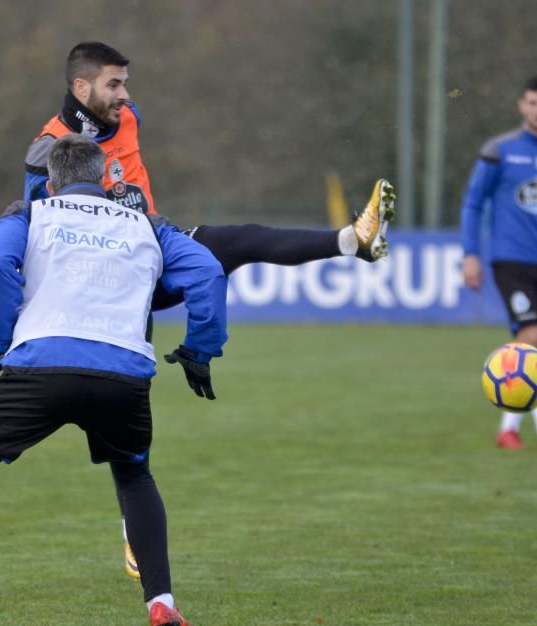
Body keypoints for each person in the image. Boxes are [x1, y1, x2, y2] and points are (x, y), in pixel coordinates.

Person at [25, 40, 396, 575]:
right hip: (109, 279)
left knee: (239, 242)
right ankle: (134, 532)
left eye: (126, 83)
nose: (125, 96)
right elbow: (31, 230)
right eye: (113, 84)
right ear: (80, 88)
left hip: (153, 246)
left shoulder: (126, 118)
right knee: (125, 407)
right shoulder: (47, 151)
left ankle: (353, 242)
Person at [0, 134, 228, 626]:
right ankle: (160, 600)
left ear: (49, 180)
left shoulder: (30, 214)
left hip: (42, 369)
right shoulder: (147, 224)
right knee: (134, 475)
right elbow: (208, 271)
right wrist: (200, 348)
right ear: (104, 178)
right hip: (123, 375)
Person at [459, 75, 537, 450]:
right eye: (533, 103)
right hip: (509, 260)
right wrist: (470, 254)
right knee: (532, 336)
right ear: (521, 105)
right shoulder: (500, 151)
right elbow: (473, 203)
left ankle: (508, 429)